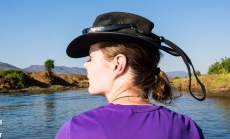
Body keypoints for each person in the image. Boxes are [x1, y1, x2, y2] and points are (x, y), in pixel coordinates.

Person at [55, 12, 206, 139]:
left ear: (117, 64)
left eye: (91, 58)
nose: (85, 64)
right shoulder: (187, 128)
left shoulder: (75, 130)